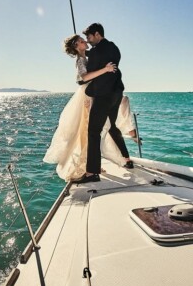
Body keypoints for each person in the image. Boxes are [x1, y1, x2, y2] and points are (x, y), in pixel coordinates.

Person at [43, 33, 136, 182]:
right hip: (87, 99)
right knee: (87, 133)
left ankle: (94, 167)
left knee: (95, 132)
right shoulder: (80, 60)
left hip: (94, 96)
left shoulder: (86, 57)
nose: (84, 41)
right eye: (80, 41)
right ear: (76, 47)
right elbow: (84, 77)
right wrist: (105, 70)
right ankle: (89, 168)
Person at [78, 23, 132, 183]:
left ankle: (92, 173)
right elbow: (107, 59)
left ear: (96, 34)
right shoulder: (114, 47)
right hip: (117, 93)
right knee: (112, 126)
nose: (88, 40)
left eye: (89, 37)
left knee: (93, 132)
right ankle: (126, 157)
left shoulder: (95, 53)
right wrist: (85, 52)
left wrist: (83, 54)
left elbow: (89, 73)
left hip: (103, 95)